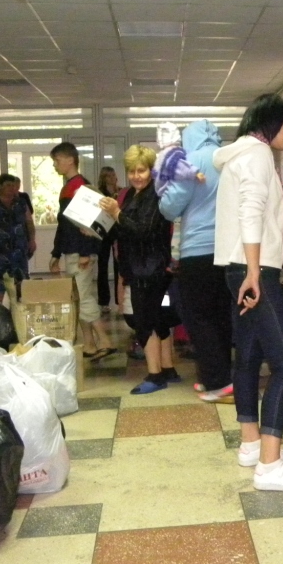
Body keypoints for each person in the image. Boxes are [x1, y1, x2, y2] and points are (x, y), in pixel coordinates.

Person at [214, 93, 283, 492]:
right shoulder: (256, 154)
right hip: (253, 271)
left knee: (249, 357)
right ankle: (270, 466)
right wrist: (256, 272)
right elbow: (251, 212)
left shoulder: (239, 155)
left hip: (237, 268)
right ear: (273, 122)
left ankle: (252, 444)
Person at [158, 120, 234, 403]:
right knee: (221, 317)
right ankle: (220, 376)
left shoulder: (191, 161)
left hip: (197, 250)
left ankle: (218, 382)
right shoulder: (227, 159)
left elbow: (170, 207)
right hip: (228, 250)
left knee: (198, 318)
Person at [99, 146, 176, 395]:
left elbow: (143, 230)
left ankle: (155, 375)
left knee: (145, 322)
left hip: (150, 268)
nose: (136, 176)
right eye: (131, 171)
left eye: (141, 171)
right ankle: (167, 369)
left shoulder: (156, 194)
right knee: (158, 320)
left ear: (151, 170)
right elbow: (125, 229)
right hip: (140, 266)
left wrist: (116, 213)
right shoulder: (132, 194)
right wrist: (101, 223)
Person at [48, 141, 115, 361]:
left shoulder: (81, 187)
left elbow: (88, 225)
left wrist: (86, 252)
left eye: (57, 160)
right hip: (72, 251)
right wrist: (56, 253)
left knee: (84, 298)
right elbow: (65, 224)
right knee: (78, 298)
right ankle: (89, 344)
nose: (55, 165)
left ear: (70, 160)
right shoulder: (69, 187)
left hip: (80, 252)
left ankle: (104, 340)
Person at [0, 173, 36, 303]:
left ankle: (19, 308)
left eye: (14, 186)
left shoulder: (21, 202)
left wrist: (32, 240)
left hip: (19, 249)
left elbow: (29, 222)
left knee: (21, 281)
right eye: (8, 185)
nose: (12, 188)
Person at [96, 165, 120, 310]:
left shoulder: (120, 192)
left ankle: (119, 300)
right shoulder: (100, 194)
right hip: (104, 232)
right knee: (103, 266)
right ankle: (103, 301)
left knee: (119, 266)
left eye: (113, 175)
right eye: (108, 176)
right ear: (104, 178)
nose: (112, 178)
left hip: (117, 232)